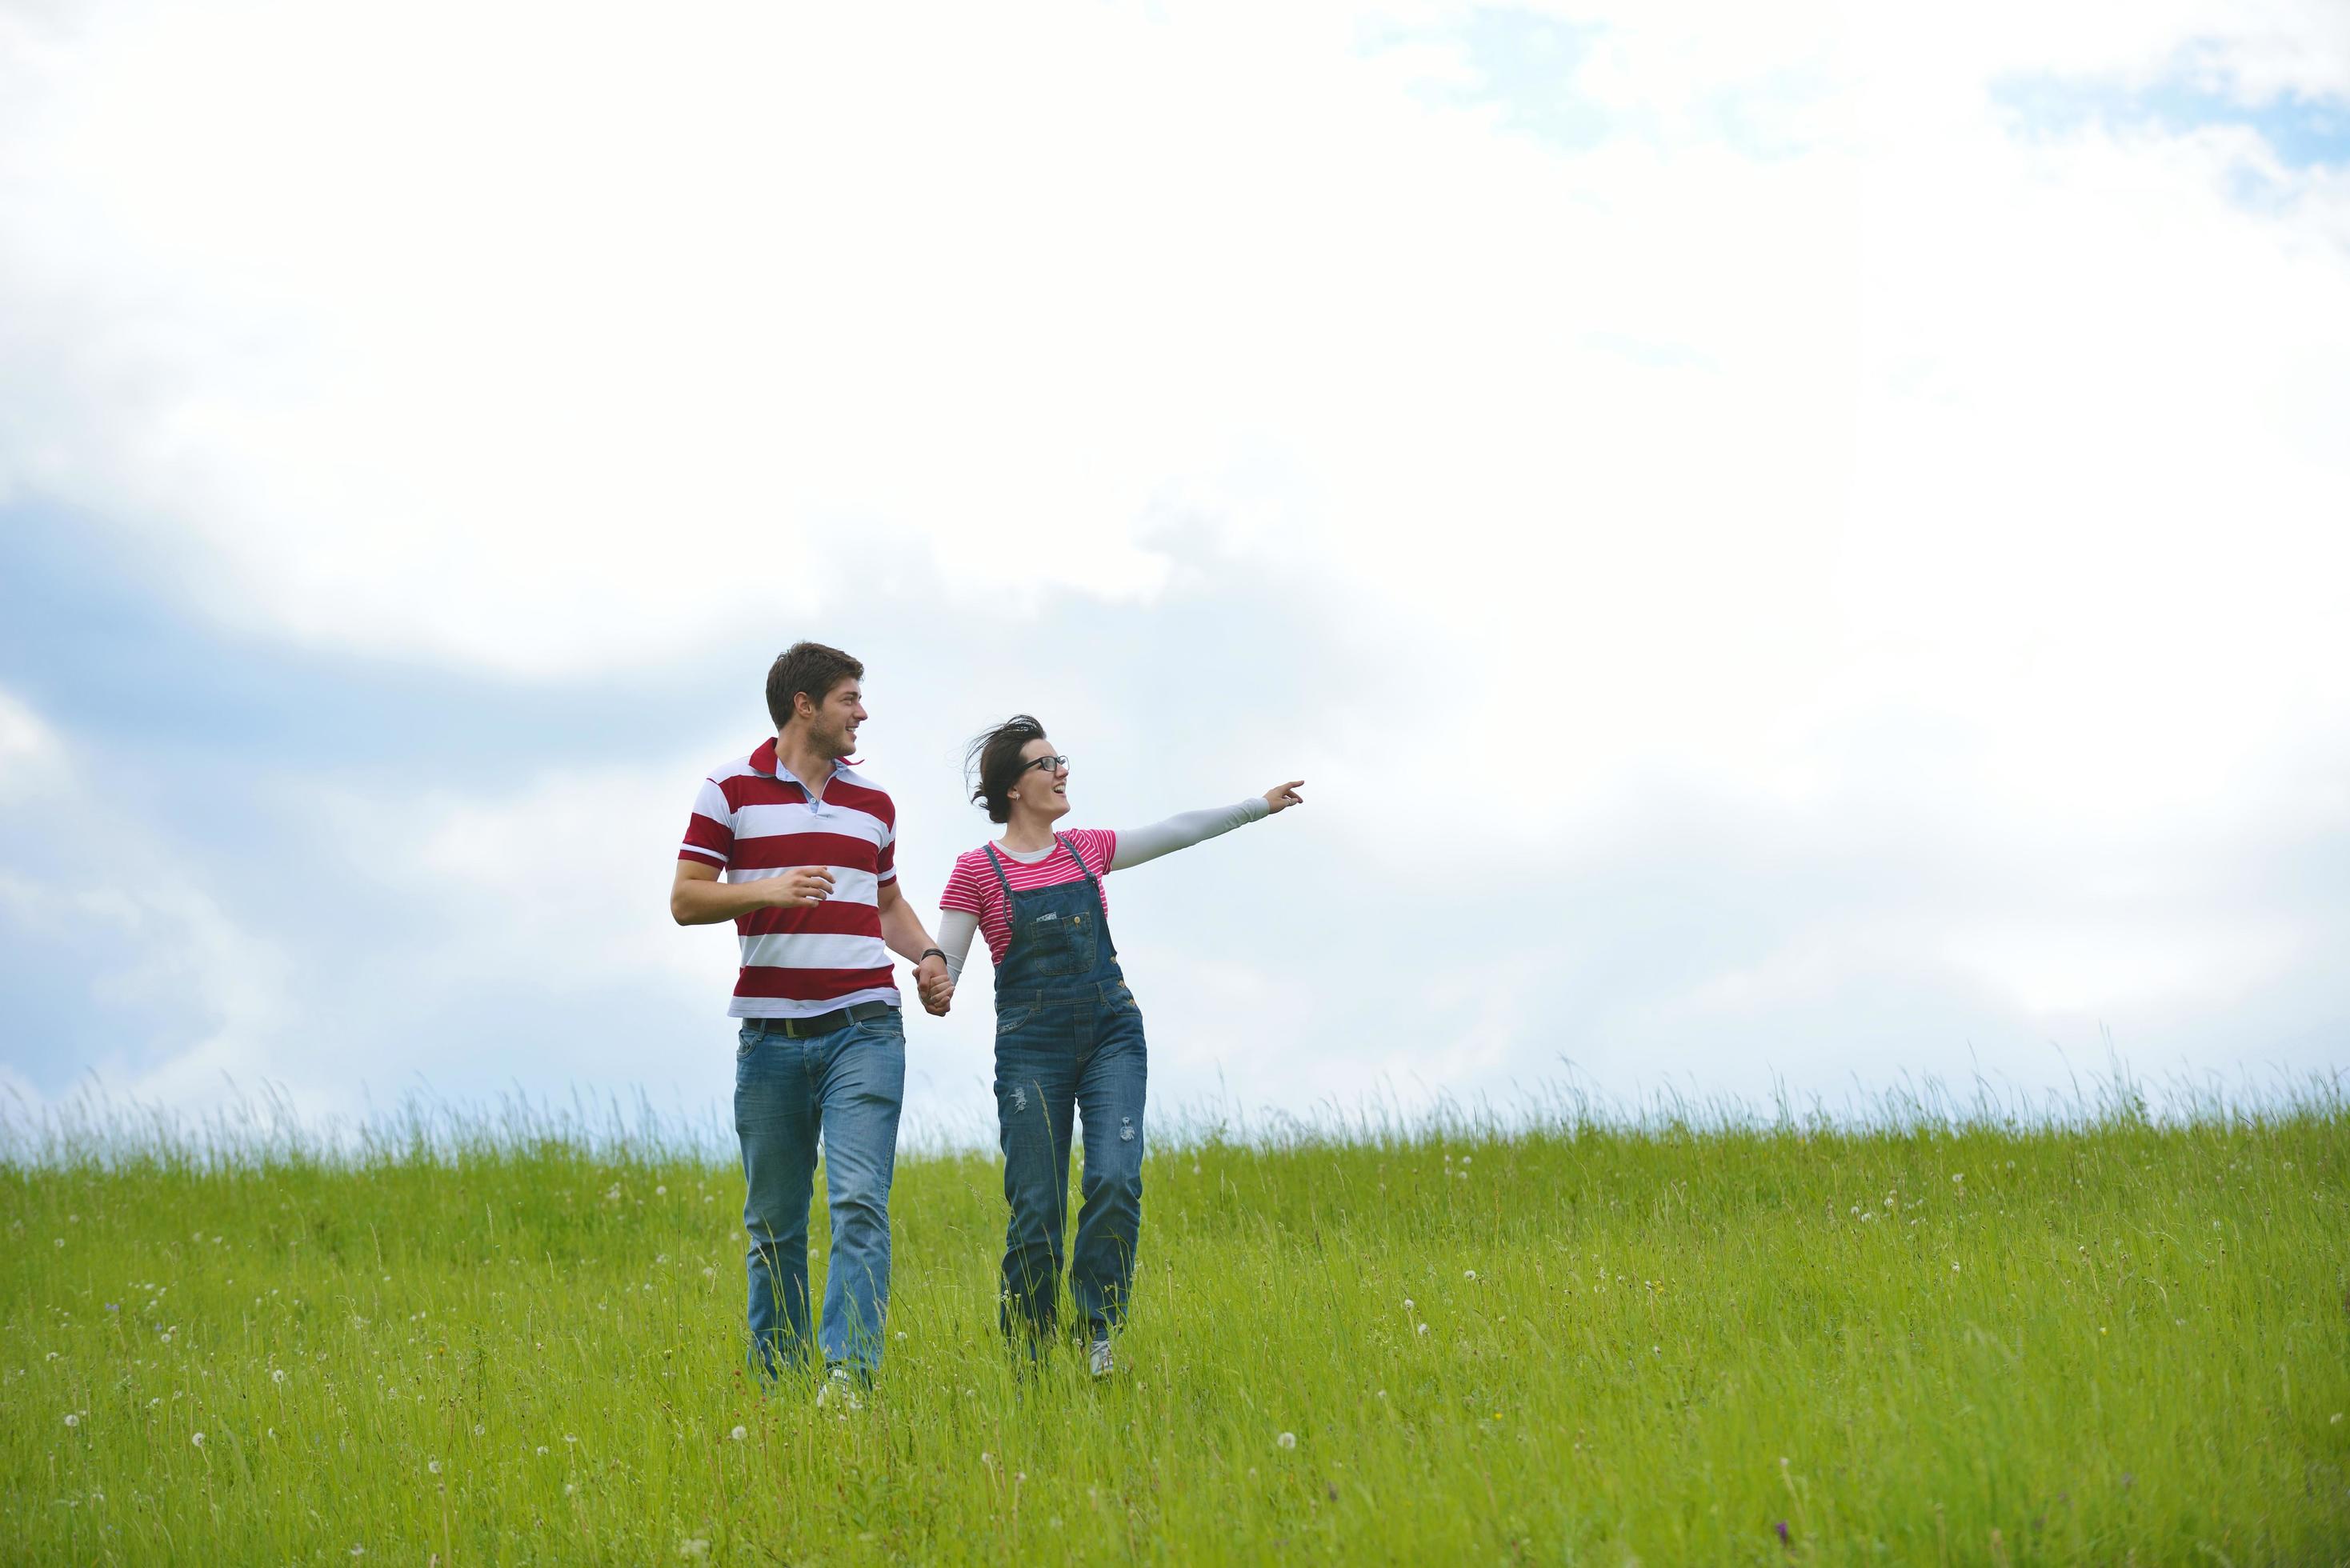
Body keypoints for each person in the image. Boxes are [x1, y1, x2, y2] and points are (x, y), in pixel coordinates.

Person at [938, 714, 1303, 1376]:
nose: (1061, 771)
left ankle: (1096, 1332)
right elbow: (947, 968)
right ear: (1014, 787)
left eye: (1060, 759)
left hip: (1111, 1034)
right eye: (1046, 764)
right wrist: (936, 980)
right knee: (1036, 1208)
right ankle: (1028, 1353)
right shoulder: (976, 872)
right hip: (1030, 1050)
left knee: (1113, 1177)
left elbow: (1173, 832)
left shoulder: (1087, 849)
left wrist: (1257, 807)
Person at [670, 642, 955, 1398]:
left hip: (865, 1027)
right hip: (768, 1040)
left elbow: (885, 904)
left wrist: (927, 956)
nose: (862, 713)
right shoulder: (727, 790)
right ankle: (779, 1382)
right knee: (773, 1227)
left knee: (859, 1199)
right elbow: (687, 899)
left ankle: (847, 1380)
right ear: (805, 705)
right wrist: (769, 888)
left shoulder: (874, 804)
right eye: (849, 698)